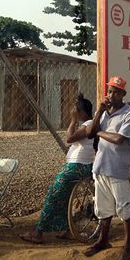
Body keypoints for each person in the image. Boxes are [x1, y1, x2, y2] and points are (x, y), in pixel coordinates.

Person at [20, 94, 94, 244]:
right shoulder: (86, 124)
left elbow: (69, 138)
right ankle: (67, 229)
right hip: (76, 165)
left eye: (75, 110)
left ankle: (38, 233)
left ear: (82, 112)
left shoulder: (90, 124)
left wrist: (72, 120)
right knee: (64, 197)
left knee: (53, 196)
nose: (72, 112)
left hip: (79, 166)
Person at [83, 76, 130, 260]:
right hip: (101, 166)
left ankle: (128, 245)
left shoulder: (129, 114)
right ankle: (103, 240)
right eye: (110, 91)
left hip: (117, 168)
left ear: (123, 94)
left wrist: (98, 131)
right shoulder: (105, 113)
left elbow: (119, 139)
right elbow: (89, 133)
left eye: (116, 91)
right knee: (103, 208)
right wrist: (98, 112)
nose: (111, 95)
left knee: (124, 208)